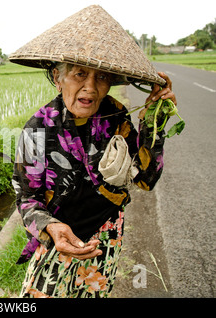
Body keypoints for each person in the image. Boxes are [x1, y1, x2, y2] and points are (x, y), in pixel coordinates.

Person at [9, 5, 177, 298]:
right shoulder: (37, 129)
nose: (90, 87)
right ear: (58, 77)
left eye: (101, 77)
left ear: (110, 81)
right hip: (58, 238)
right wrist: (50, 228)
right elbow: (27, 198)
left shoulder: (116, 115)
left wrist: (153, 122)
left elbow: (146, 179)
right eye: (79, 74)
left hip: (106, 234)